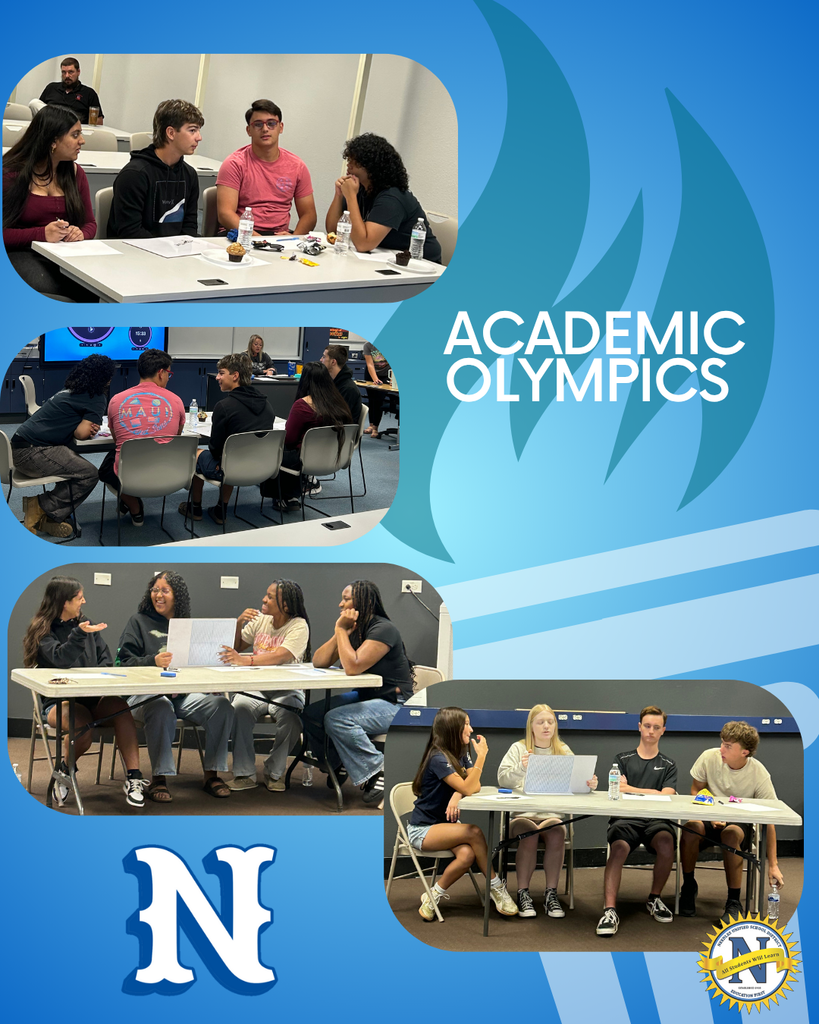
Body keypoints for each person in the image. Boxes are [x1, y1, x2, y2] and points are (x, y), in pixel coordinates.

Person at [23, 576, 146, 808]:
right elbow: (61, 658)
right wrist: (79, 634)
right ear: (64, 602)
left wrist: (101, 677)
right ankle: (65, 770)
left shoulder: (85, 624)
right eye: (79, 598)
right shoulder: (42, 630)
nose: (84, 602)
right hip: (58, 703)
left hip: (92, 697)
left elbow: (105, 660)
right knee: (83, 725)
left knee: (121, 708)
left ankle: (134, 778)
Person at [117, 571, 234, 803]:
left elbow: (196, 664)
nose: (158, 595)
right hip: (144, 697)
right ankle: (159, 779)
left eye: (164, 590)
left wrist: (208, 681)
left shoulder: (187, 626)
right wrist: (153, 660)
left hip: (182, 696)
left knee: (222, 706)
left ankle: (212, 774)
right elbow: (122, 662)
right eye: (155, 589)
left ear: (177, 596)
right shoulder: (138, 621)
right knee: (160, 706)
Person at [307, 580, 415, 806]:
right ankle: (338, 763)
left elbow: (352, 666)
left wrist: (340, 630)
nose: (340, 604)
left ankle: (379, 769)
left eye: (346, 599)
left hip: (396, 704)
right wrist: (341, 632)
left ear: (364, 601)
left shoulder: (382, 629)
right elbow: (319, 661)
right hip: (368, 698)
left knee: (337, 719)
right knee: (311, 714)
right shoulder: (353, 628)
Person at [407, 706, 518, 921]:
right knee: (474, 832)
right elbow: (470, 786)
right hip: (423, 830)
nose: (471, 728)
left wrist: (457, 795)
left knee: (467, 855)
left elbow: (474, 785)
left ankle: (432, 896)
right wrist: (482, 757)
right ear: (453, 728)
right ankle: (496, 887)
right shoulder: (438, 758)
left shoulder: (459, 754)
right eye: (466, 724)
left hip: (445, 827)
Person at [498, 704, 597, 919]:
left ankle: (551, 893)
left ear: (555, 726)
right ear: (531, 727)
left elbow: (576, 784)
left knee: (557, 832)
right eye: (540, 722)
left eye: (550, 722)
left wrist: (589, 782)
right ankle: (523, 892)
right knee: (530, 834)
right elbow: (502, 779)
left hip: (551, 816)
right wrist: (521, 768)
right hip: (523, 816)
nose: (546, 726)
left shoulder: (563, 750)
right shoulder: (519, 749)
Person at [680, 721, 784, 922]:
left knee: (730, 833)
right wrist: (711, 814)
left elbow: (769, 820)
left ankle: (733, 901)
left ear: (745, 751)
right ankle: (688, 886)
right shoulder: (709, 757)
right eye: (722, 743)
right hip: (710, 814)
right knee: (690, 828)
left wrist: (774, 865)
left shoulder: (759, 774)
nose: (721, 749)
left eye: (728, 746)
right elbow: (696, 789)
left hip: (739, 824)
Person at [219, 580, 311, 793]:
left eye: (270, 597)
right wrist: (238, 623)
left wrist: (246, 660)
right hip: (256, 686)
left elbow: (282, 655)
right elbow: (236, 647)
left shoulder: (298, 625)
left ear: (286, 606)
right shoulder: (260, 620)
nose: (263, 599)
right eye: (266, 594)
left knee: (292, 716)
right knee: (239, 709)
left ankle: (274, 772)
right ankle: (244, 774)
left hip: (287, 688)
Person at [12, 353, 114, 538]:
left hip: (21, 447)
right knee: (89, 474)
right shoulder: (96, 397)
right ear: (105, 378)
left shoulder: (70, 390)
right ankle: (40, 506)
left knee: (73, 463)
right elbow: (81, 434)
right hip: (32, 453)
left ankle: (48, 518)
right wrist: (85, 425)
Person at [596, 706, 677, 937]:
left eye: (656, 727)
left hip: (656, 820)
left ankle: (654, 898)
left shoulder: (669, 764)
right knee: (619, 848)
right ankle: (610, 910)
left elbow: (667, 795)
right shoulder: (622, 759)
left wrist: (631, 788)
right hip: (626, 819)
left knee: (666, 843)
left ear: (663, 731)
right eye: (647, 726)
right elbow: (617, 790)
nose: (651, 731)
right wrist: (653, 791)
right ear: (639, 727)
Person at [3, 104, 97, 300]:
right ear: (53, 141)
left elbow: (90, 223)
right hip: (19, 253)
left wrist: (80, 233)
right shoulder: (11, 175)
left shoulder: (75, 173)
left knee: (95, 291)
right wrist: (42, 234)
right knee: (69, 293)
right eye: (75, 135)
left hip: (63, 256)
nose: (82, 140)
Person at [178, 352, 273, 526]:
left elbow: (215, 449)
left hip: (232, 468)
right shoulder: (267, 404)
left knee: (197, 453)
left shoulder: (224, 406)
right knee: (231, 455)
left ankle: (195, 508)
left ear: (235, 376)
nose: (217, 378)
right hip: (261, 467)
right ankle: (221, 509)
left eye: (221, 373)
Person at [98, 349, 186, 527]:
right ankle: (131, 504)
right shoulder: (176, 401)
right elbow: (176, 437)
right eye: (169, 373)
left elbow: (118, 441)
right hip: (169, 473)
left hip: (129, 475)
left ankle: (133, 504)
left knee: (107, 466)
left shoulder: (116, 400)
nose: (169, 378)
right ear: (161, 373)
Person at [325, 132, 442, 263]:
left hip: (418, 264)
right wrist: (339, 194)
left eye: (355, 161)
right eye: (349, 159)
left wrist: (351, 196)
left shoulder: (392, 197)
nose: (349, 165)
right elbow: (334, 230)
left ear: (372, 166)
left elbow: (364, 244)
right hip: (385, 257)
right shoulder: (361, 188)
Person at [216, 99, 316, 236]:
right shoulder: (234, 164)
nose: (265, 129)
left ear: (280, 127)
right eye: (258, 124)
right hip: (241, 234)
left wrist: (293, 238)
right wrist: (260, 240)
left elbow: (309, 215)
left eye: (271, 124)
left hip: (279, 237)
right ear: (248, 130)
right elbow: (225, 214)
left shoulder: (297, 166)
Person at [107, 99, 204, 238]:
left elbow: (190, 227)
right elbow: (130, 232)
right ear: (170, 133)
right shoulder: (134, 175)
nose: (199, 137)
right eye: (192, 130)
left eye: (198, 131)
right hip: (135, 254)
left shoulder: (189, 175)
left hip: (174, 253)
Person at [272, 361, 352, 512]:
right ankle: (300, 487)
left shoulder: (302, 405)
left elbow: (289, 439)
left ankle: (287, 496)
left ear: (305, 380)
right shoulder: (339, 402)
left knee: (276, 449)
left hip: (306, 460)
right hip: (335, 457)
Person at [39, 58, 104, 125]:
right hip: (50, 125)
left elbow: (98, 120)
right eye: (64, 72)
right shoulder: (51, 87)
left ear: (78, 72)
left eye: (71, 72)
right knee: (34, 103)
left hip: (73, 127)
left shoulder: (89, 93)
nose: (67, 76)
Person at [320, 344, 362, 424]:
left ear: (333, 362)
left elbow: (339, 419)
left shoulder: (348, 389)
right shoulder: (333, 382)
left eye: (324, 357)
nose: (321, 360)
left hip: (339, 432)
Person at [361, 341, 391, 437]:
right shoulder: (368, 345)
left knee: (379, 400)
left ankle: (375, 428)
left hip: (386, 374)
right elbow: (370, 364)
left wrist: (393, 378)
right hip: (371, 373)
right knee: (372, 399)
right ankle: (370, 425)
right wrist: (375, 379)